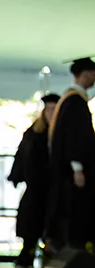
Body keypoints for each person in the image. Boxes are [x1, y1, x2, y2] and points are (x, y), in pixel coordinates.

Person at [47, 57, 95, 250]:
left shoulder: (68, 100)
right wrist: (77, 168)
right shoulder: (75, 102)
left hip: (66, 171)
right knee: (75, 213)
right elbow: (76, 137)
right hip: (73, 172)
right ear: (85, 74)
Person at [8, 93, 60, 267]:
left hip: (55, 189)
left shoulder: (62, 133)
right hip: (37, 189)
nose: (51, 113)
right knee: (32, 228)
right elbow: (24, 158)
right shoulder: (35, 133)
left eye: (55, 109)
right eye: (49, 109)